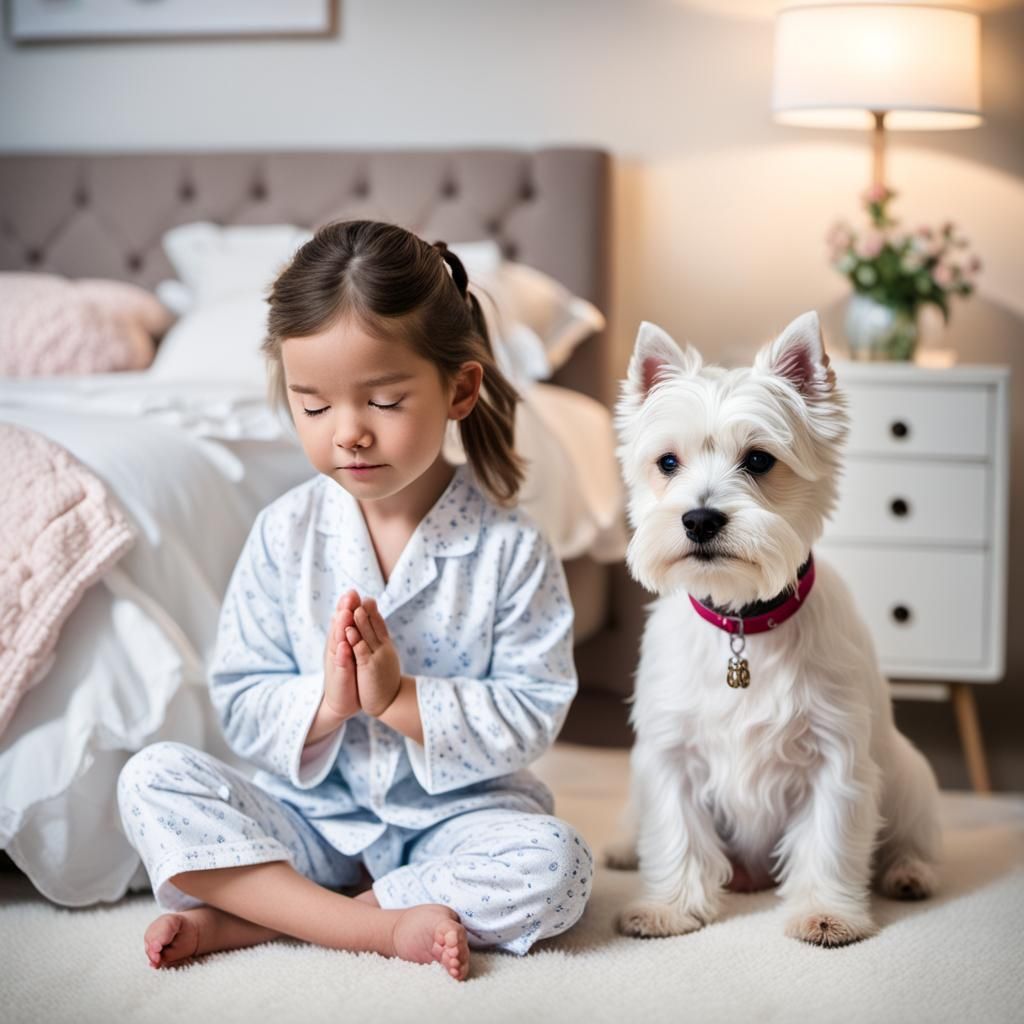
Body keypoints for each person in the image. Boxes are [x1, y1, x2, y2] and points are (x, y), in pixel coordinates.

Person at [117, 220, 592, 981]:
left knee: (558, 866)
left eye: (384, 401)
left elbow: (533, 708)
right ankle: (374, 927)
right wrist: (331, 704)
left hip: (453, 825)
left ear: (459, 388)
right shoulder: (284, 533)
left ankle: (262, 916)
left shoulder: (511, 548)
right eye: (313, 407)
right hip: (311, 819)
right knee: (152, 777)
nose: (349, 434)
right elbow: (240, 696)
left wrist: (398, 697)